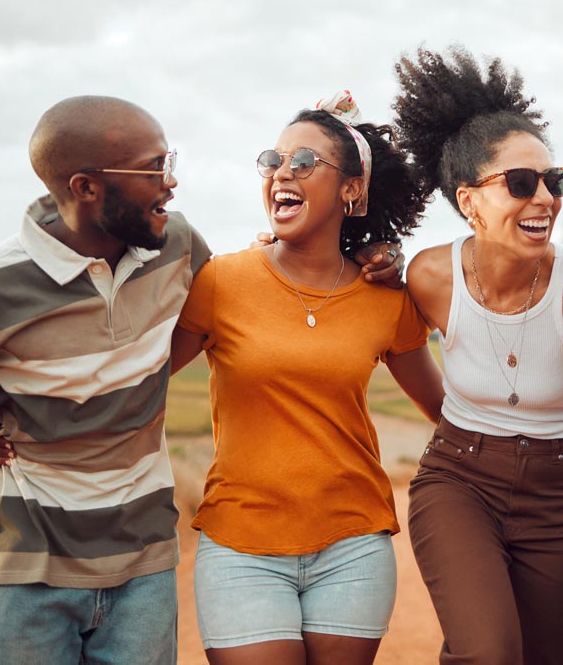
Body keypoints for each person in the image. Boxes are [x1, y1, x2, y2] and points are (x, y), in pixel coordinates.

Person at [0, 95, 211, 665]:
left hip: (145, 568)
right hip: (22, 572)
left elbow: (239, 309)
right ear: (86, 187)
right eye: (154, 168)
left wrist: (372, 253)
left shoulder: (178, 248)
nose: (171, 182)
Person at [168, 92, 444, 665]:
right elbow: (138, 381)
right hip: (241, 544)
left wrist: (553, 423)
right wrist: (20, 408)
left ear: (352, 189)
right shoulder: (222, 281)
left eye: (304, 162)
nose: (281, 173)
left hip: (354, 545)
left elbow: (446, 408)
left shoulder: (386, 296)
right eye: (273, 160)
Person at [391, 47, 563, 665]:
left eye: (556, 182)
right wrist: (464, 426)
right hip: (458, 482)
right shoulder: (429, 278)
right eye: (521, 184)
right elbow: (392, 348)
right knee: (489, 653)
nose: (545, 200)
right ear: (468, 200)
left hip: (562, 495)